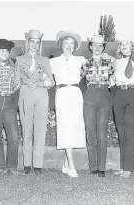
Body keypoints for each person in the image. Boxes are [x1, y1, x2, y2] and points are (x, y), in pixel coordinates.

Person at [14, 30, 54, 175]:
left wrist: (41, 83)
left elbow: (52, 81)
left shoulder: (44, 60)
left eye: (38, 42)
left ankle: (37, 164)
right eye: (32, 41)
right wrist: (23, 82)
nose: (35, 45)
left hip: (41, 95)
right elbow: (16, 81)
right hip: (25, 94)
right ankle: (27, 164)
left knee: (40, 129)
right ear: (27, 42)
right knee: (26, 129)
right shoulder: (19, 60)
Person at [50, 31, 86, 178]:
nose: (69, 46)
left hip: (76, 93)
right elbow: (48, 79)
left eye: (72, 43)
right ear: (61, 45)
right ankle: (71, 165)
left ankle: (66, 164)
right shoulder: (53, 62)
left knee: (74, 126)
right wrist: (55, 85)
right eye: (66, 43)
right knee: (65, 126)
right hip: (62, 94)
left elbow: (88, 74)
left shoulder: (81, 60)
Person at [110, 39, 134, 178]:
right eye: (122, 45)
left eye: (127, 44)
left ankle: (128, 168)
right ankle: (123, 166)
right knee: (122, 133)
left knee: (130, 132)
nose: (124, 47)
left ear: (133, 47)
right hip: (119, 94)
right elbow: (111, 81)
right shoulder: (114, 62)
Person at [82, 35, 115, 177]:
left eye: (100, 45)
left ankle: (101, 167)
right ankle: (93, 166)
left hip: (104, 94)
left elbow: (115, 75)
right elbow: (78, 79)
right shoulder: (84, 63)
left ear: (103, 48)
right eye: (94, 45)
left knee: (102, 133)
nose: (97, 48)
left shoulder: (110, 61)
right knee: (90, 132)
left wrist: (113, 79)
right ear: (90, 47)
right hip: (90, 95)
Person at [0, 39, 21, 175]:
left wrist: (13, 100)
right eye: (1, 51)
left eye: (6, 51)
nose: (3, 53)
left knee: (13, 136)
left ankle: (12, 166)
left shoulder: (14, 66)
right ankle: (0, 165)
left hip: (9, 102)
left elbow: (17, 84)